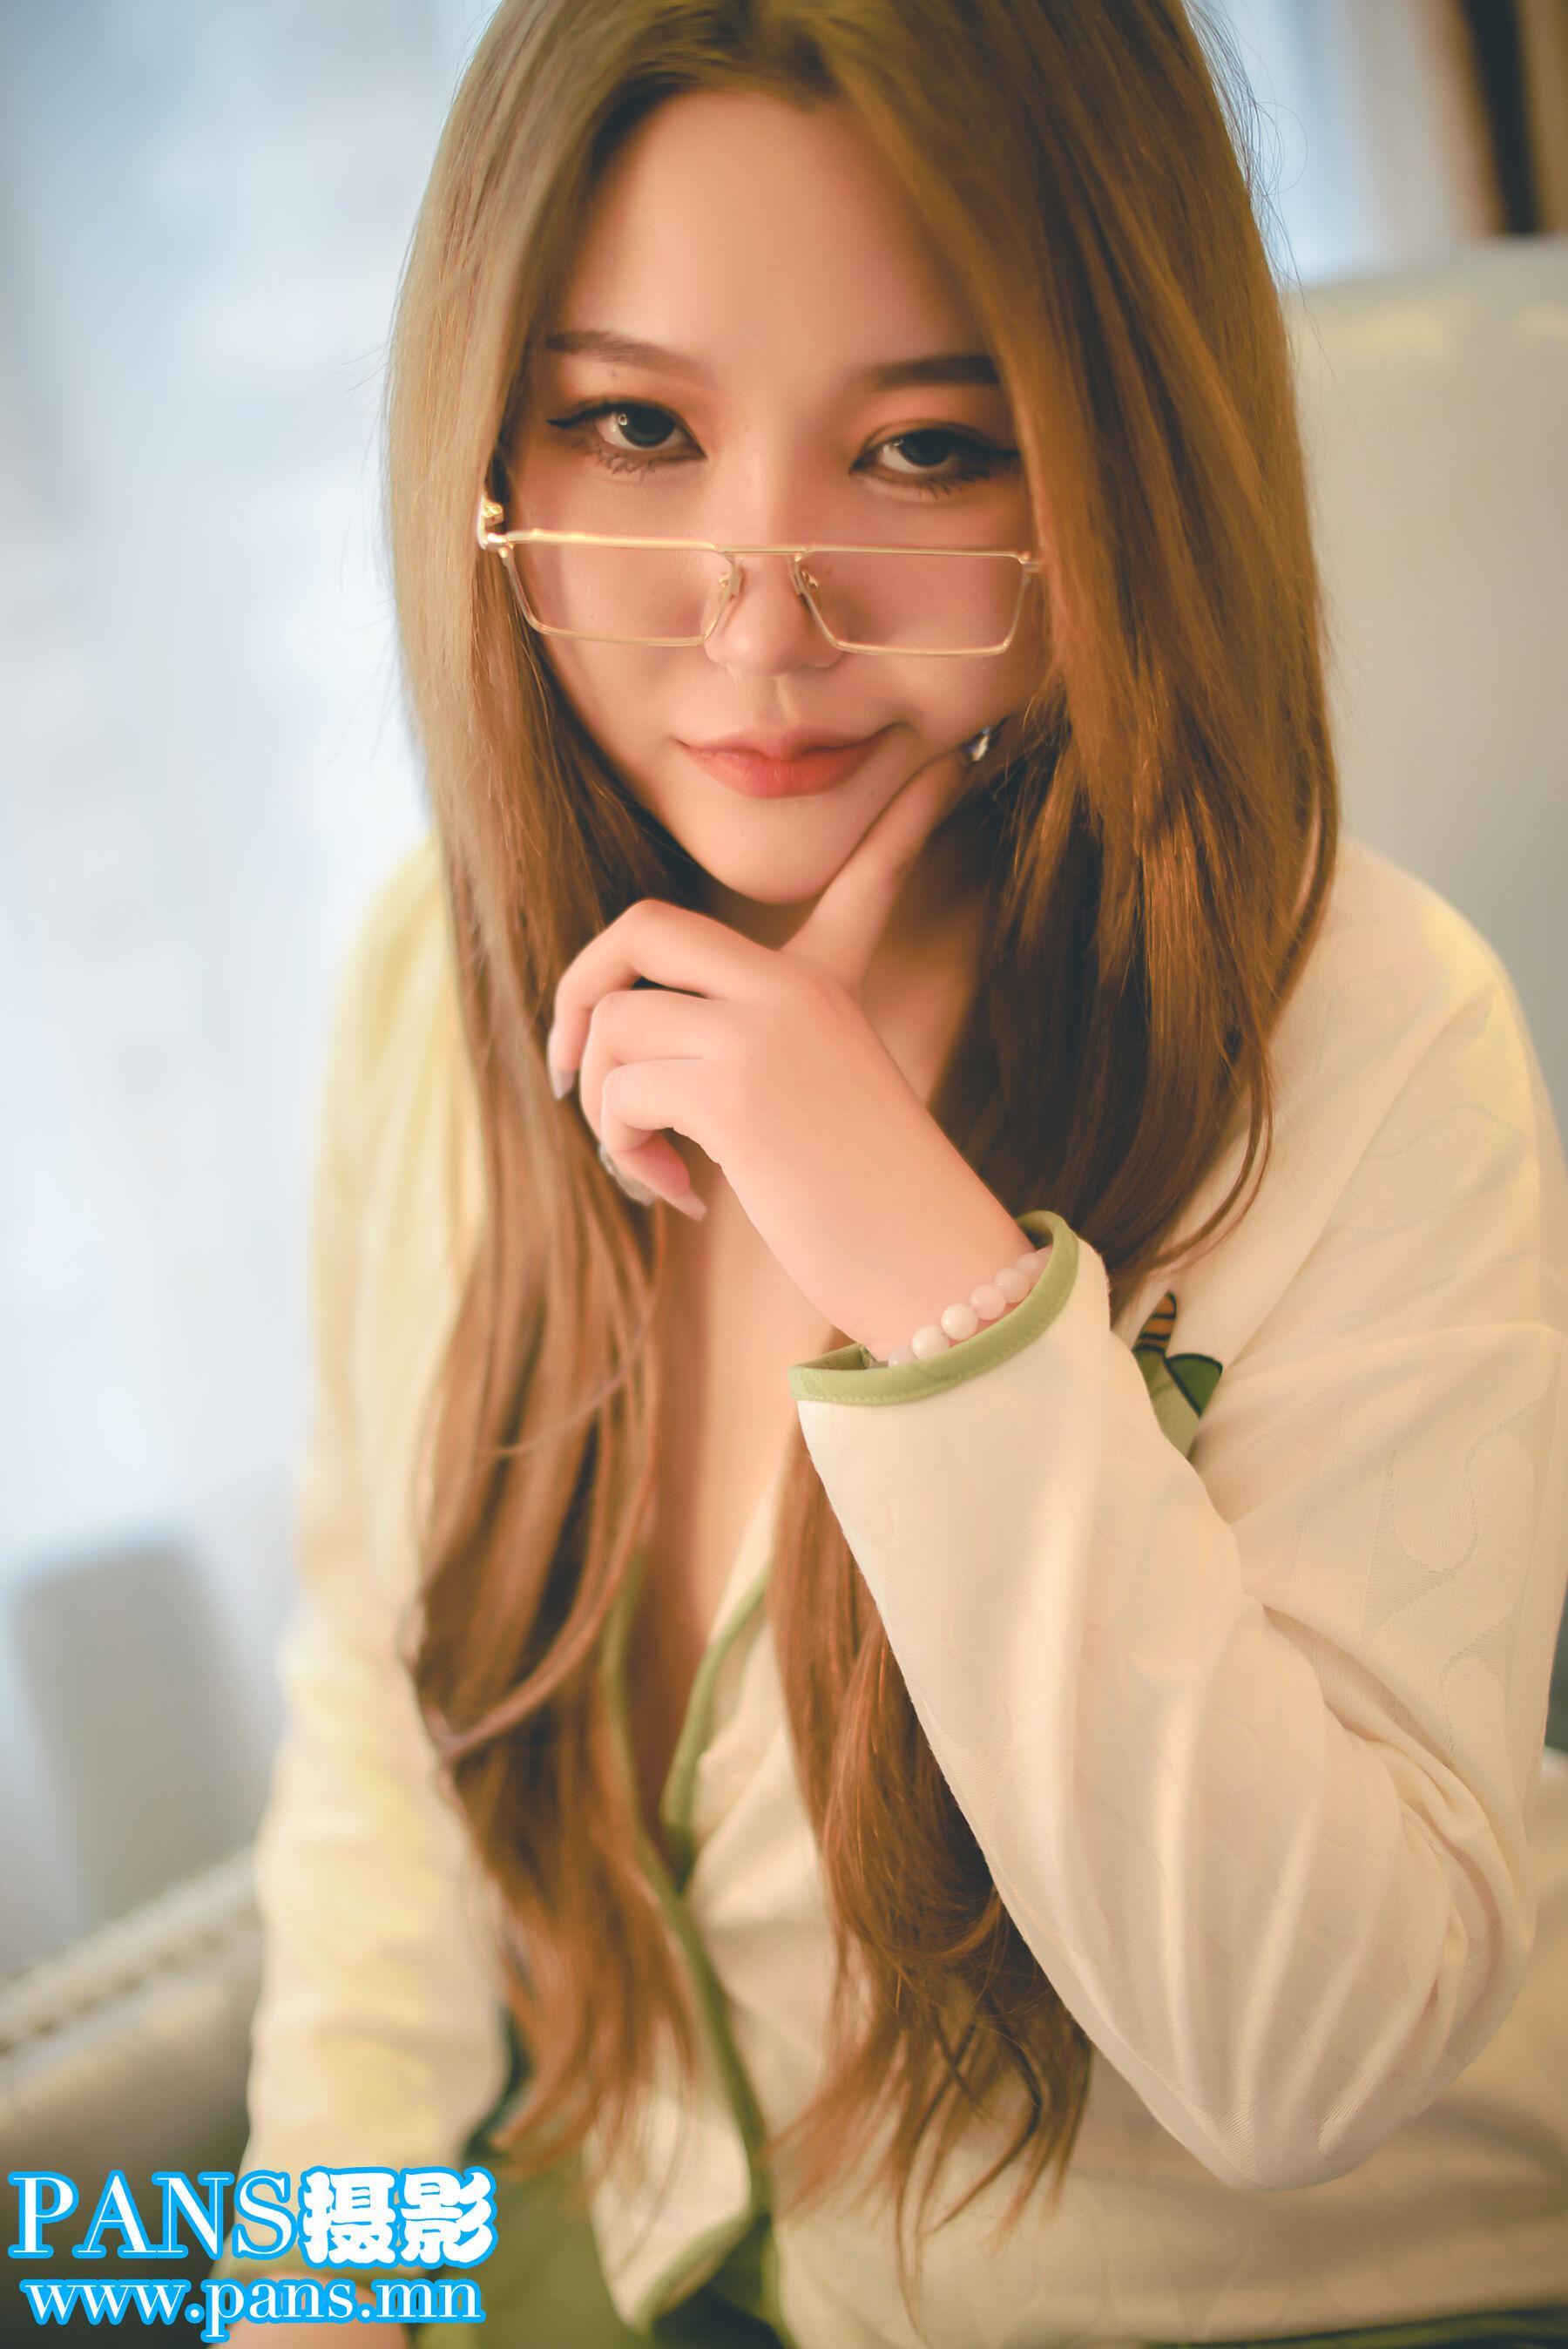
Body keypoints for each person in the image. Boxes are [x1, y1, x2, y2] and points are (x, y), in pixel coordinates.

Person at [211, 3, 1568, 2345]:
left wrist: (927, 1270)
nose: (762, 621)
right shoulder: (428, 988)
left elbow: (1309, 2061)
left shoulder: (1365, 1028)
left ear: (1117, 467)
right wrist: (303, 2291)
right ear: (487, 446)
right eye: (637, 427)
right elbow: (380, 1763)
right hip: (673, 2256)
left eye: (929, 448)